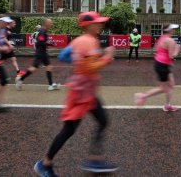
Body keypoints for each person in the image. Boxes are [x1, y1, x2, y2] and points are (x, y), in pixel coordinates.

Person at [34, 11, 118, 176]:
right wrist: (106, 57)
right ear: (89, 25)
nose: (101, 25)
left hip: (85, 90)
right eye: (98, 22)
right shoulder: (89, 42)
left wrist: (81, 59)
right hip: (82, 92)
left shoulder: (81, 41)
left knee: (100, 121)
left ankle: (94, 160)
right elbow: (89, 68)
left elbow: (64, 56)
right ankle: (46, 163)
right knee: (71, 129)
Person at [134, 23, 181, 112]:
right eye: (173, 29)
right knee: (164, 88)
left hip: (160, 63)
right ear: (169, 30)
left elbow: (155, 49)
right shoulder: (170, 41)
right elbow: (172, 56)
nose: (174, 30)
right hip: (162, 65)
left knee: (171, 85)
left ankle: (167, 104)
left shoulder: (162, 38)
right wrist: (177, 50)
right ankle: (143, 96)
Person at [15, 18, 59, 91]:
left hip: (43, 52)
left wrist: (48, 43)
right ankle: (20, 79)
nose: (51, 24)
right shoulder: (42, 31)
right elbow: (40, 42)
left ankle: (51, 85)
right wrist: (50, 43)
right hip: (40, 53)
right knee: (33, 68)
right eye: (50, 23)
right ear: (46, 24)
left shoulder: (44, 31)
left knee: (49, 67)